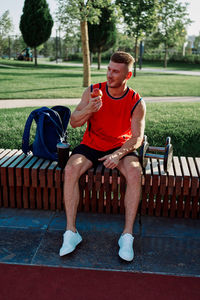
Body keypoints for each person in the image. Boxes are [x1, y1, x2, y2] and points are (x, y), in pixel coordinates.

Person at [59, 51, 146, 262]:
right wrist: (90, 108)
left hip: (120, 147)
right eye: (108, 69)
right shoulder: (92, 91)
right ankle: (71, 233)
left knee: (135, 173)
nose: (110, 75)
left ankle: (127, 236)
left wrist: (118, 154)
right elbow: (74, 121)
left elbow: (137, 138)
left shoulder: (136, 101)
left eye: (116, 71)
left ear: (128, 75)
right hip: (91, 145)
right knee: (70, 169)